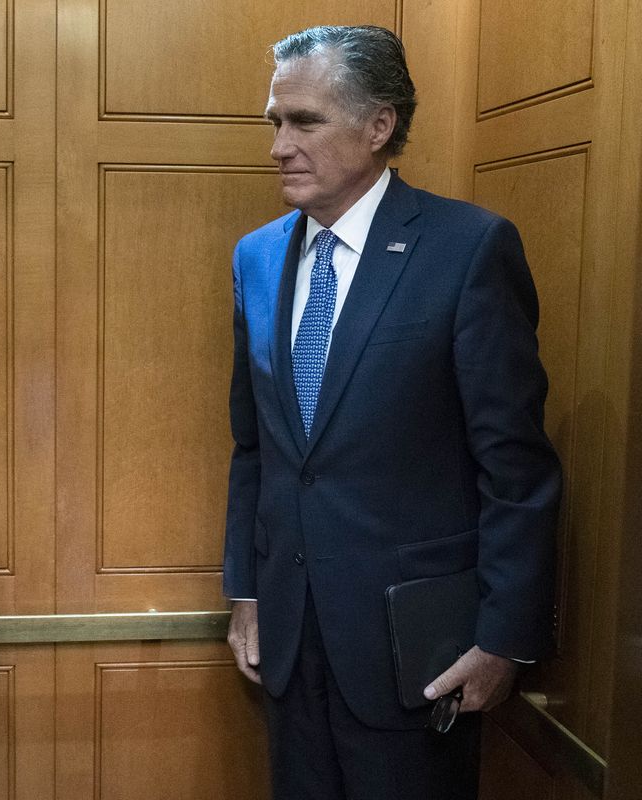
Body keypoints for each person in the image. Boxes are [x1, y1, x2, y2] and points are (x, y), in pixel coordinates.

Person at [223, 25, 560, 799]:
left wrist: (505, 638)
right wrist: (245, 591)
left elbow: (516, 467)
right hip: (289, 640)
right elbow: (255, 448)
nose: (279, 145)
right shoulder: (256, 255)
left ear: (379, 126)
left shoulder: (468, 249)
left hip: (420, 654)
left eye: (303, 121)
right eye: (274, 121)